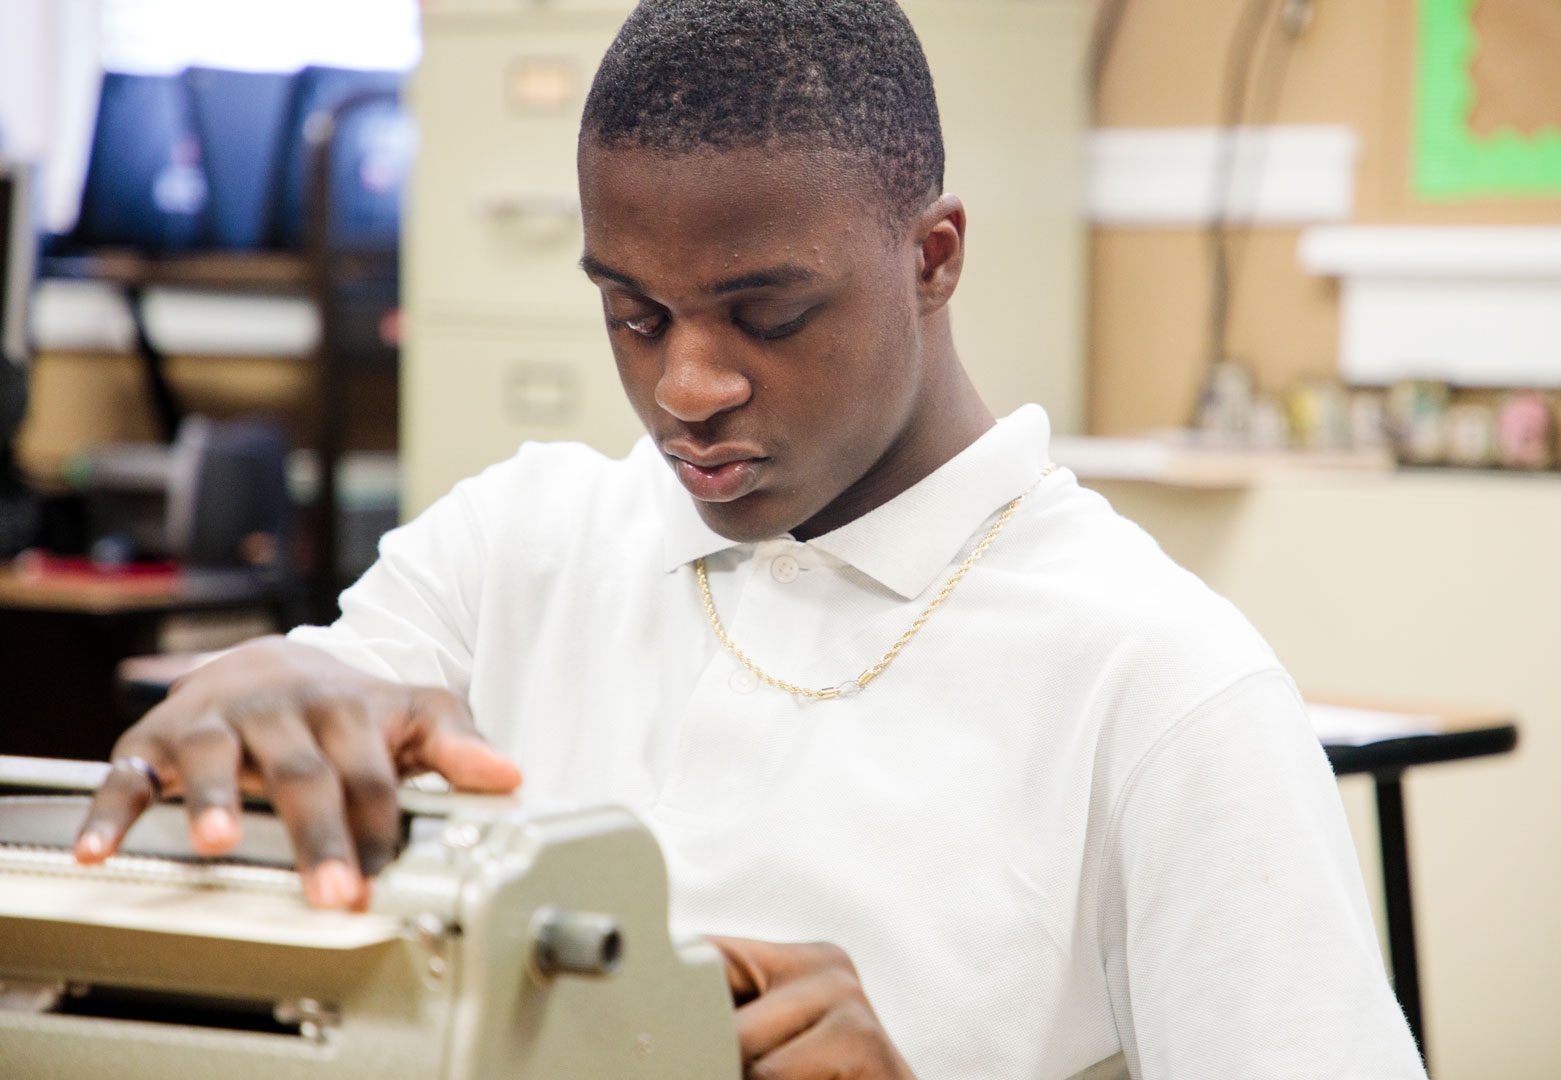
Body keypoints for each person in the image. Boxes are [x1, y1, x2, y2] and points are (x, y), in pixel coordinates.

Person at [74, 2, 1427, 1076]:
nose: (687, 388)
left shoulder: (1162, 685)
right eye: (633, 312)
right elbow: (308, 731)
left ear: (935, 257)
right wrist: (255, 711)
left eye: (765, 313)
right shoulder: (518, 543)